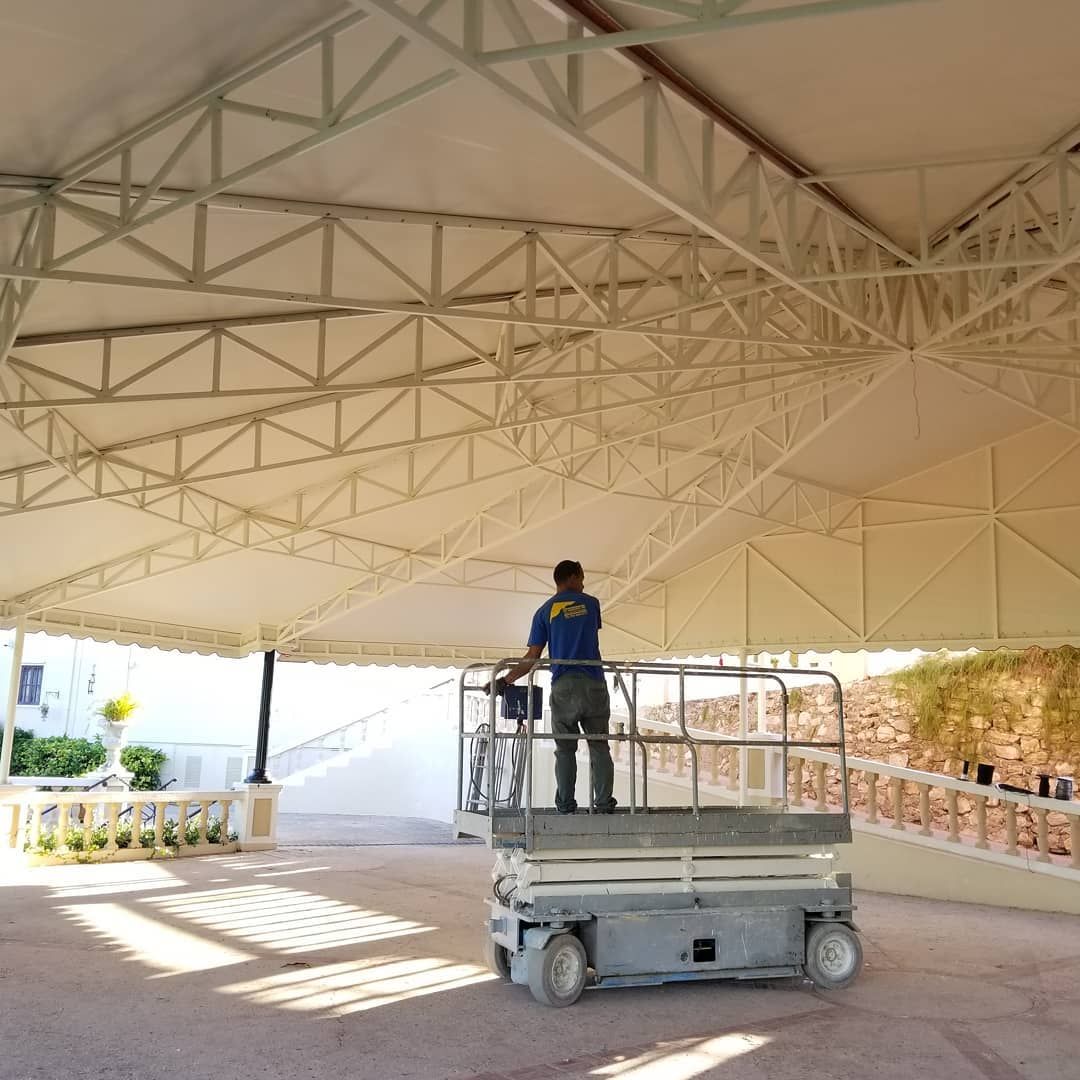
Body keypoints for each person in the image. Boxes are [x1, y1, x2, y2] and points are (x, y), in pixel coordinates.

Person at [486, 559, 616, 814]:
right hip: (593, 684)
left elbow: (531, 657)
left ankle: (565, 805)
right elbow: (589, 632)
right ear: (573, 576)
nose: (583, 583)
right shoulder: (591, 604)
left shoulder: (544, 612)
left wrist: (504, 680)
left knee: (565, 749)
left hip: (564, 687)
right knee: (599, 746)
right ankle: (603, 804)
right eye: (581, 578)